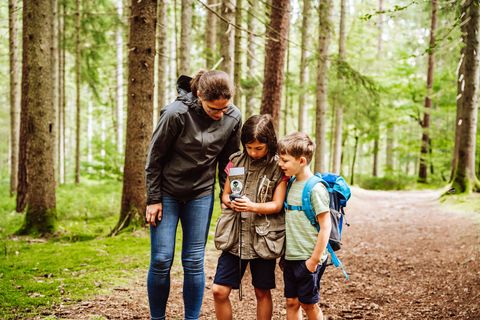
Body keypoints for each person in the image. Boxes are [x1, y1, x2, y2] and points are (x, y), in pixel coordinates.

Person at [145, 70, 242, 320]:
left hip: (200, 193)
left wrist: (228, 192)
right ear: (199, 95)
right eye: (214, 109)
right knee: (161, 258)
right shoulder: (175, 114)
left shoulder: (233, 117)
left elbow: (230, 160)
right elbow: (154, 158)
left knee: (194, 260)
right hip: (167, 193)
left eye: (224, 108)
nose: (220, 114)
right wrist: (153, 198)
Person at [212, 114, 287, 320]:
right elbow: (225, 195)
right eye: (249, 147)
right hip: (234, 237)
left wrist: (253, 207)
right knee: (219, 291)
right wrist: (229, 202)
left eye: (259, 148)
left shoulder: (278, 167)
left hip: (263, 238)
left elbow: (277, 204)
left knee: (262, 291)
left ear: (269, 143)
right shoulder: (235, 161)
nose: (253, 152)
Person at [277, 132, 332, 320]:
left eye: (285, 160)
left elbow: (326, 226)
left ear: (301, 161)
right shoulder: (290, 183)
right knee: (291, 302)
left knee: (309, 303)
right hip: (291, 256)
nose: (280, 164)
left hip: (308, 257)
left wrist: (314, 261)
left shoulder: (316, 188)